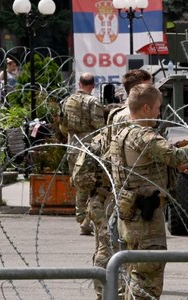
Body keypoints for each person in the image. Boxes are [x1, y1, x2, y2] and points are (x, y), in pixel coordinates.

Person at [109, 83, 188, 299]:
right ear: (146, 108)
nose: (160, 112)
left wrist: (173, 168)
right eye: (158, 107)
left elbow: (144, 167)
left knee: (134, 275)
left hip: (130, 213)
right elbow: (175, 156)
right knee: (148, 277)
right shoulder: (144, 135)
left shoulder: (121, 134)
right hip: (145, 218)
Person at [71, 103, 123, 299]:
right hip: (105, 200)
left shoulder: (94, 143)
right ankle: (106, 291)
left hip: (99, 200)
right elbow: (80, 178)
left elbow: (79, 180)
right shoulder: (108, 143)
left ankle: (105, 290)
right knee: (109, 247)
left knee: (104, 245)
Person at [60, 72, 105, 235]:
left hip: (72, 146)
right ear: (92, 85)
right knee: (91, 184)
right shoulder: (93, 101)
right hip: (89, 148)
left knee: (78, 184)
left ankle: (82, 218)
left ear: (79, 84)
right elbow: (100, 126)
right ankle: (86, 220)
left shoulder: (67, 101)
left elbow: (62, 126)